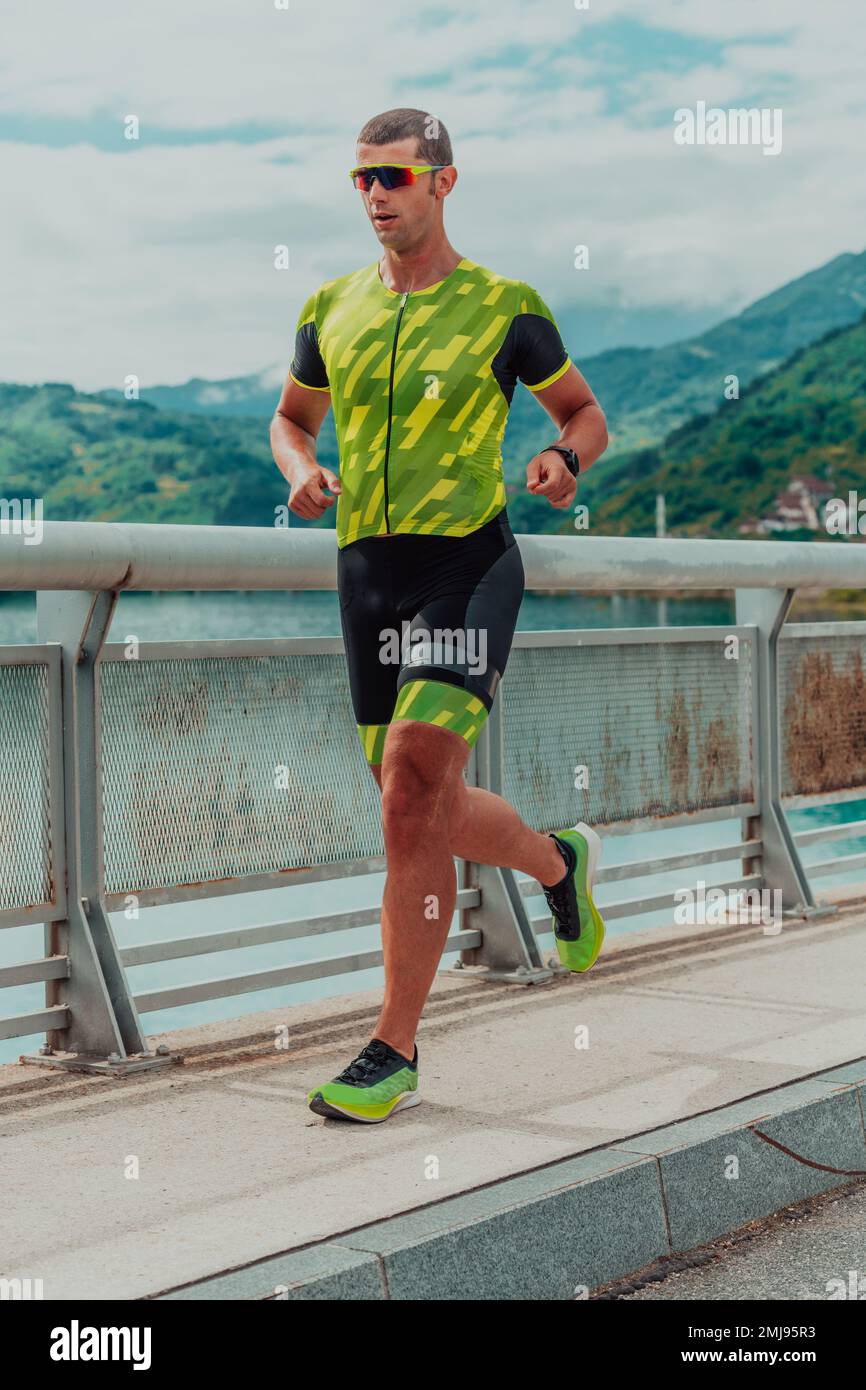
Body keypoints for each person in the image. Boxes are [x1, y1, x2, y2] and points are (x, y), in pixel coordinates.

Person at [270, 108, 609, 1124]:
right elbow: (290, 420)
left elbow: (582, 412)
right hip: (364, 572)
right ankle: (559, 861)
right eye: (361, 179)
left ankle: (393, 1048)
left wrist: (562, 460)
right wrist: (300, 471)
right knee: (412, 802)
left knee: (414, 774)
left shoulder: (506, 308)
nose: (376, 195)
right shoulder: (329, 306)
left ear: (442, 183)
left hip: (466, 561)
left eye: (394, 177)